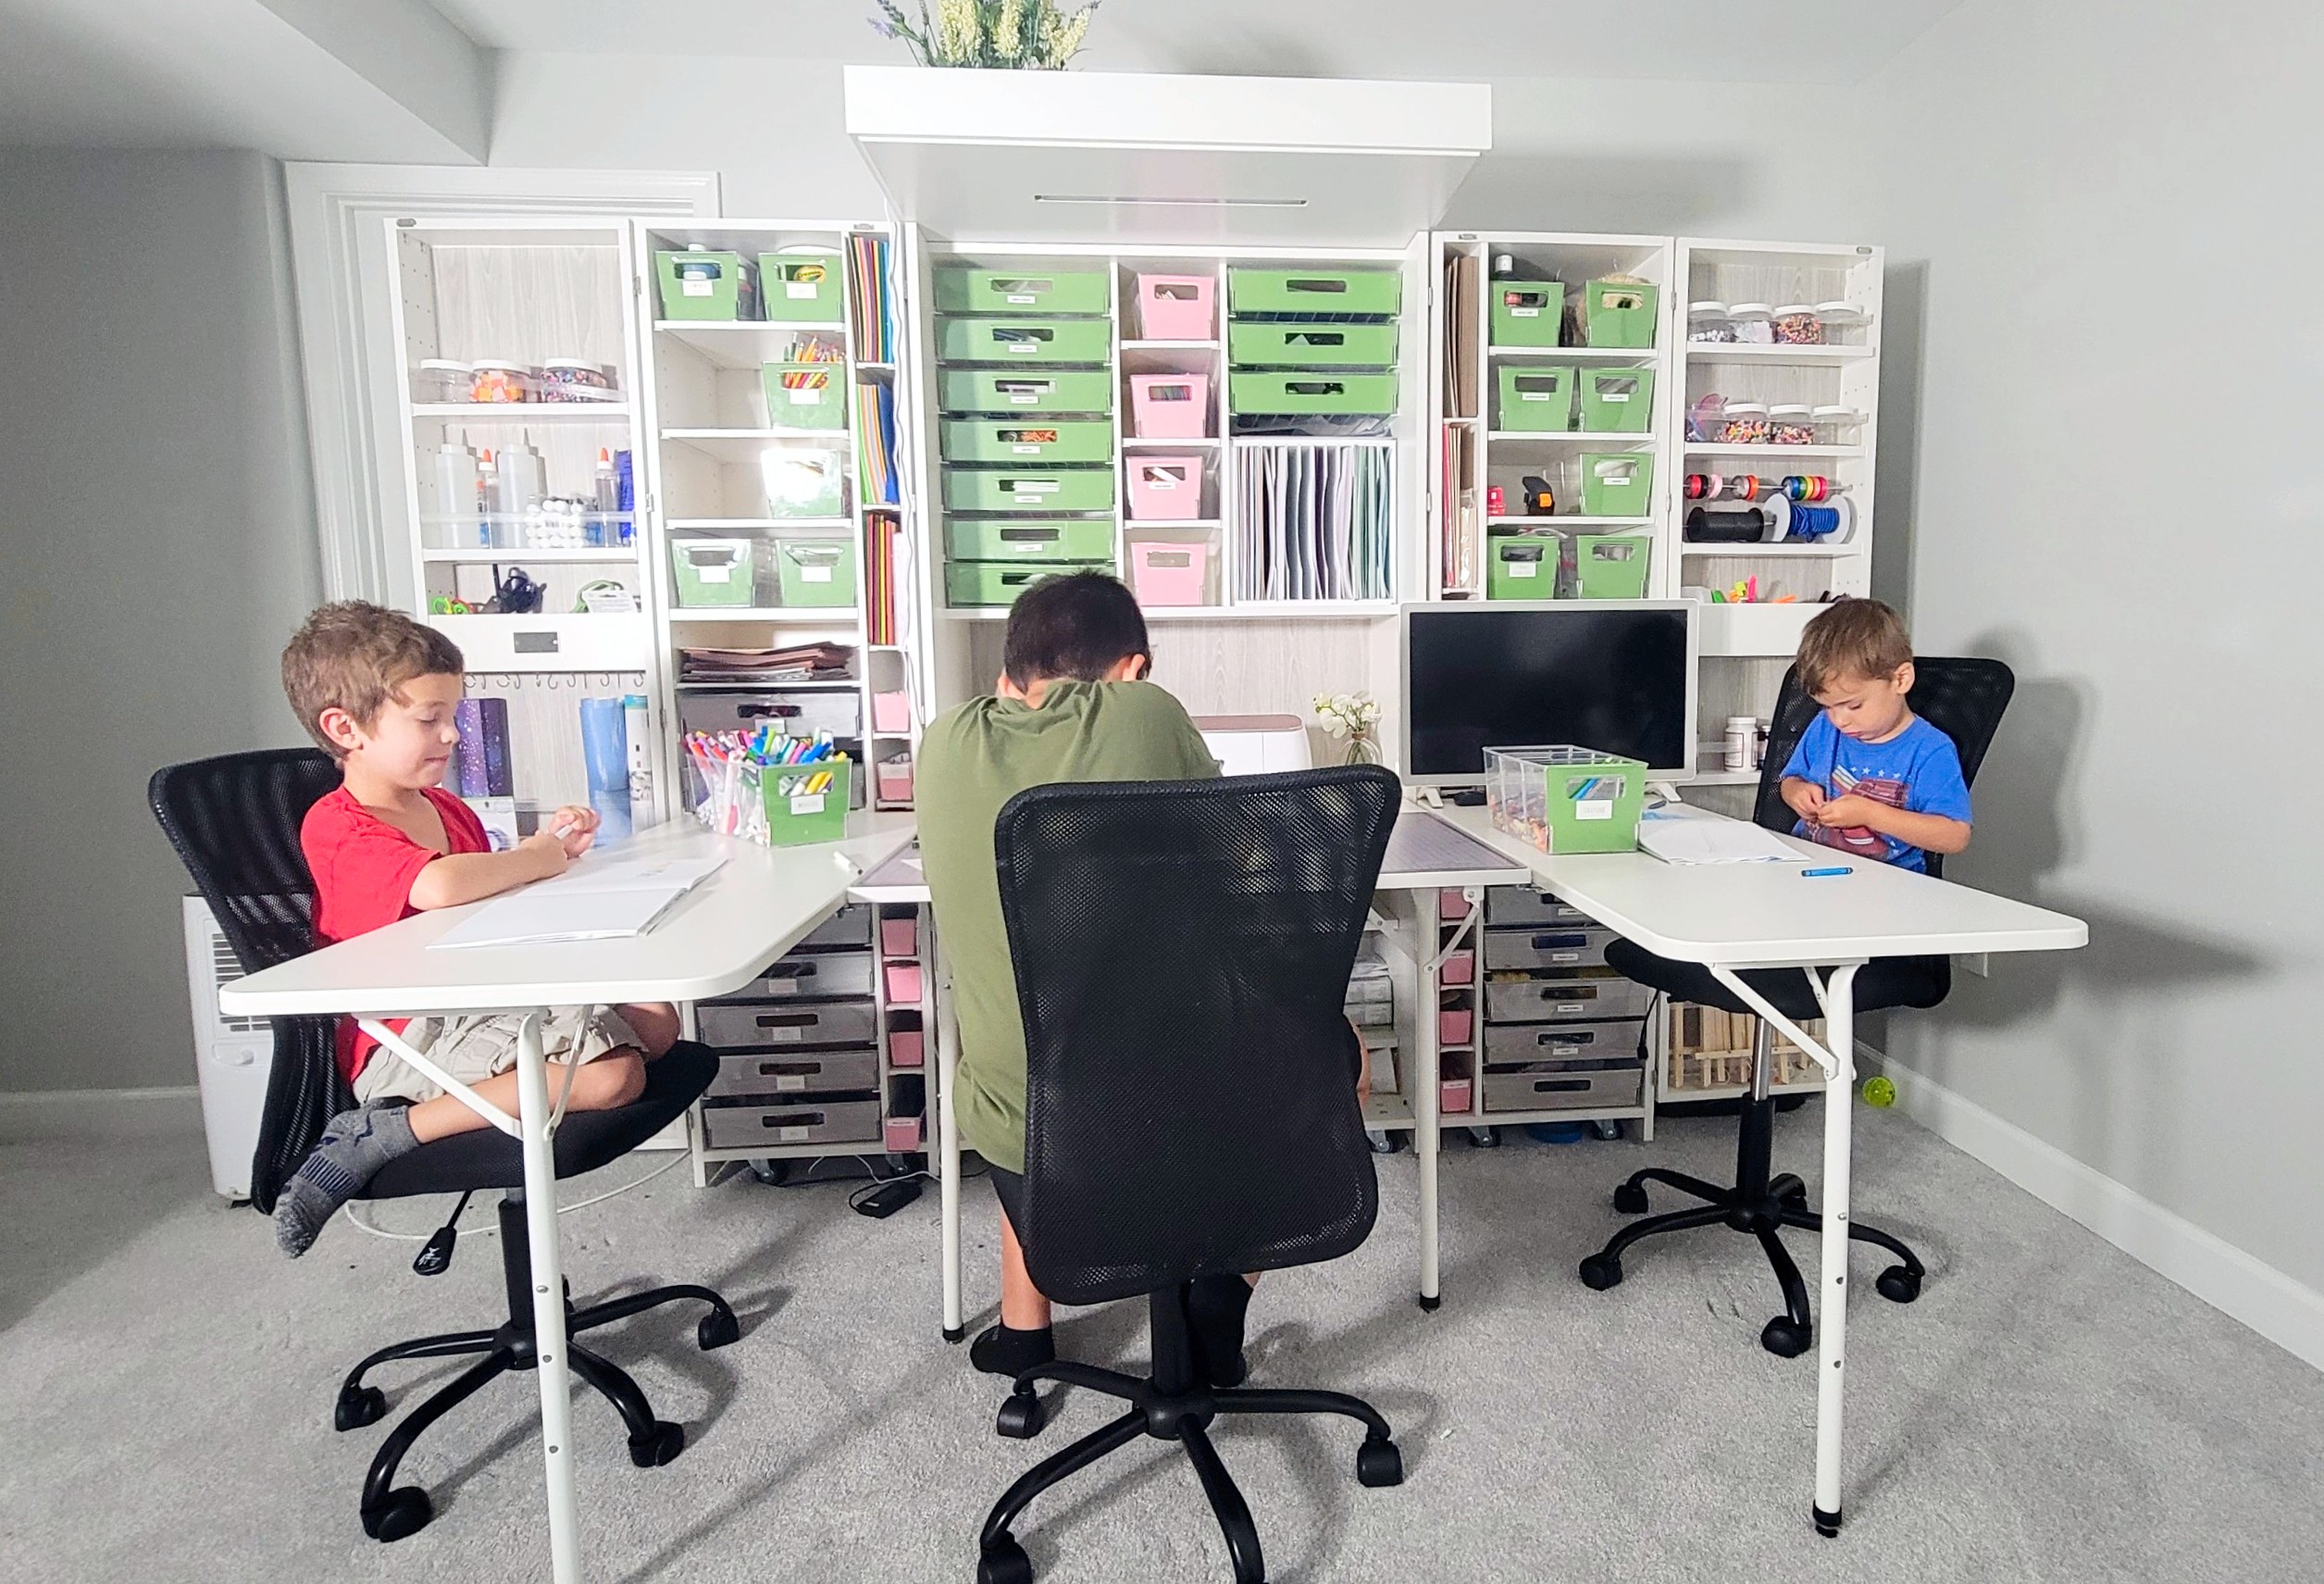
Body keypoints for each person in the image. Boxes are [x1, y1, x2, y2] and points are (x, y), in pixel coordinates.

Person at [915, 571, 1257, 1382]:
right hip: (1171, 1107)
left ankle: (1025, 1328)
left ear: (1008, 683)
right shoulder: (1146, 710)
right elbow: (1234, 860)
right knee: (1334, 1046)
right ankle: (1223, 1291)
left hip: (1017, 1116)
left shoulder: (943, 742)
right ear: (1134, 669)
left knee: (1032, 1038)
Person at [269, 602, 680, 1257]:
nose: (454, 735)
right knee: (612, 1079)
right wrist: (531, 859)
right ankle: (379, 1133)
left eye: (453, 716)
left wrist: (547, 850)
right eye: (429, 719)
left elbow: (487, 886)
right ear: (345, 728)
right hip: (407, 1037)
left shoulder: (446, 808)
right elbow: (436, 885)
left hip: (482, 996)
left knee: (658, 1022)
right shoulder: (340, 824)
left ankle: (502, 1089)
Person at [1779, 598, 1973, 872]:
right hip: (1811, 865)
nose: (1839, 719)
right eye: (1828, 706)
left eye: (1854, 705)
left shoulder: (1930, 750)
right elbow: (1790, 780)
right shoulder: (1825, 727)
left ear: (1901, 680)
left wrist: (1872, 815)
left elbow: (1955, 836)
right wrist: (1797, 792)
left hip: (1888, 884)